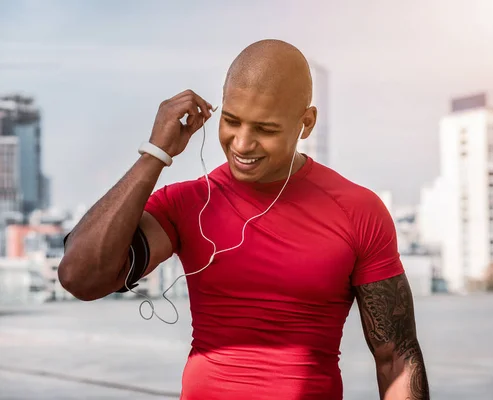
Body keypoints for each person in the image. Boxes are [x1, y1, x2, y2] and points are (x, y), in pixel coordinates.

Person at [58, 39, 429, 400]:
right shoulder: (189, 203)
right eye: (232, 122)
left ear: (307, 122)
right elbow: (81, 278)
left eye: (265, 129)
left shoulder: (357, 210)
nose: (242, 144)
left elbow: (396, 359)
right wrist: (155, 153)